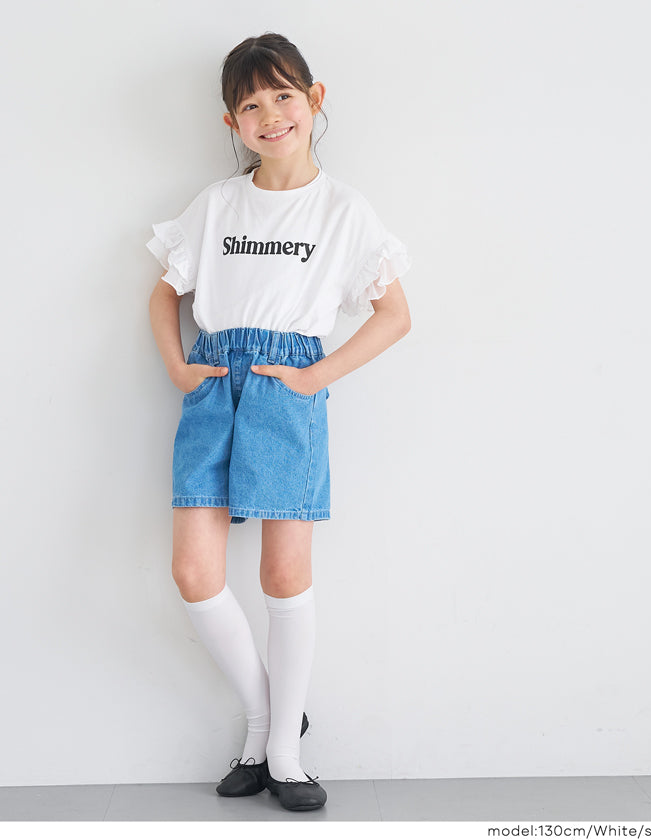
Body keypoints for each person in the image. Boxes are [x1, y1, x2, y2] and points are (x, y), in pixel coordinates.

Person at [147, 32, 411, 812]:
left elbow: (394, 314)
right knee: (194, 573)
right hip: (212, 385)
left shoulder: (343, 210)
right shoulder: (218, 204)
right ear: (232, 122)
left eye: (283, 96)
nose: (270, 115)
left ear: (314, 99)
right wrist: (178, 365)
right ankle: (268, 718)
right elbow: (164, 292)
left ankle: (283, 757)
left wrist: (314, 377)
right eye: (251, 105)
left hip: (285, 389)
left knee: (283, 575)